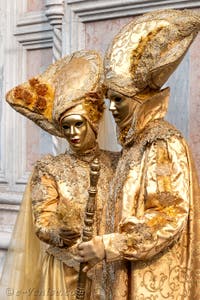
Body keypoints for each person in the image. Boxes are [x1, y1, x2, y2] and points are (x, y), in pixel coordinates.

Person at [76, 9, 200, 299]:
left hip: (152, 280)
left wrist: (108, 246)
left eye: (118, 99)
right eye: (109, 100)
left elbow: (168, 216)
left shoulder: (162, 143)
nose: (111, 108)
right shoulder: (134, 145)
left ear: (140, 99)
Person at [0, 50, 119, 299]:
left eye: (79, 124)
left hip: (107, 267)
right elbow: (42, 222)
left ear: (94, 122)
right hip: (64, 273)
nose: (73, 133)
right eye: (66, 127)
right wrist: (58, 233)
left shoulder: (116, 163)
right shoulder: (50, 169)